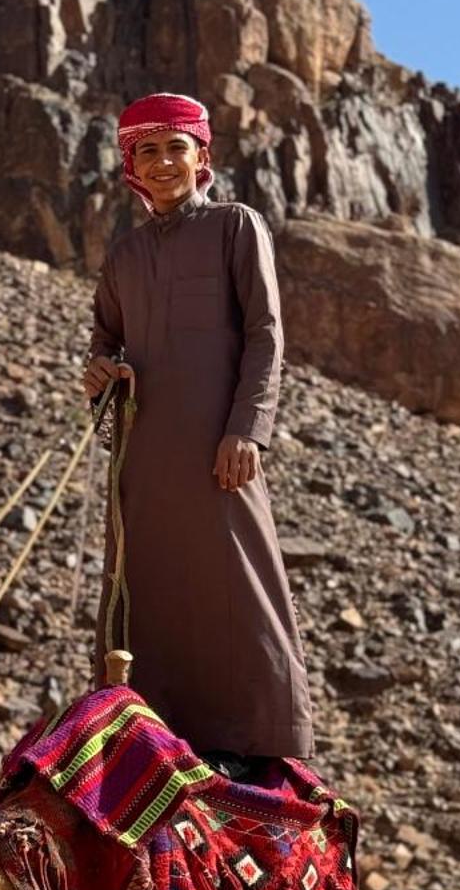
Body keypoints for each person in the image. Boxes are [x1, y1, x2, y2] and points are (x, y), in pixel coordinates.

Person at [84, 91, 315, 769]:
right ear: (131, 164)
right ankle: (148, 742)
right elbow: (105, 342)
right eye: (146, 151)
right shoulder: (123, 256)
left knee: (242, 586)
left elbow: (265, 336)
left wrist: (249, 429)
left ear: (201, 155)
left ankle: (269, 751)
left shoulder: (235, 227)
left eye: (174, 148)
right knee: (144, 585)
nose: (162, 163)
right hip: (143, 456)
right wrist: (100, 375)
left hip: (222, 451)